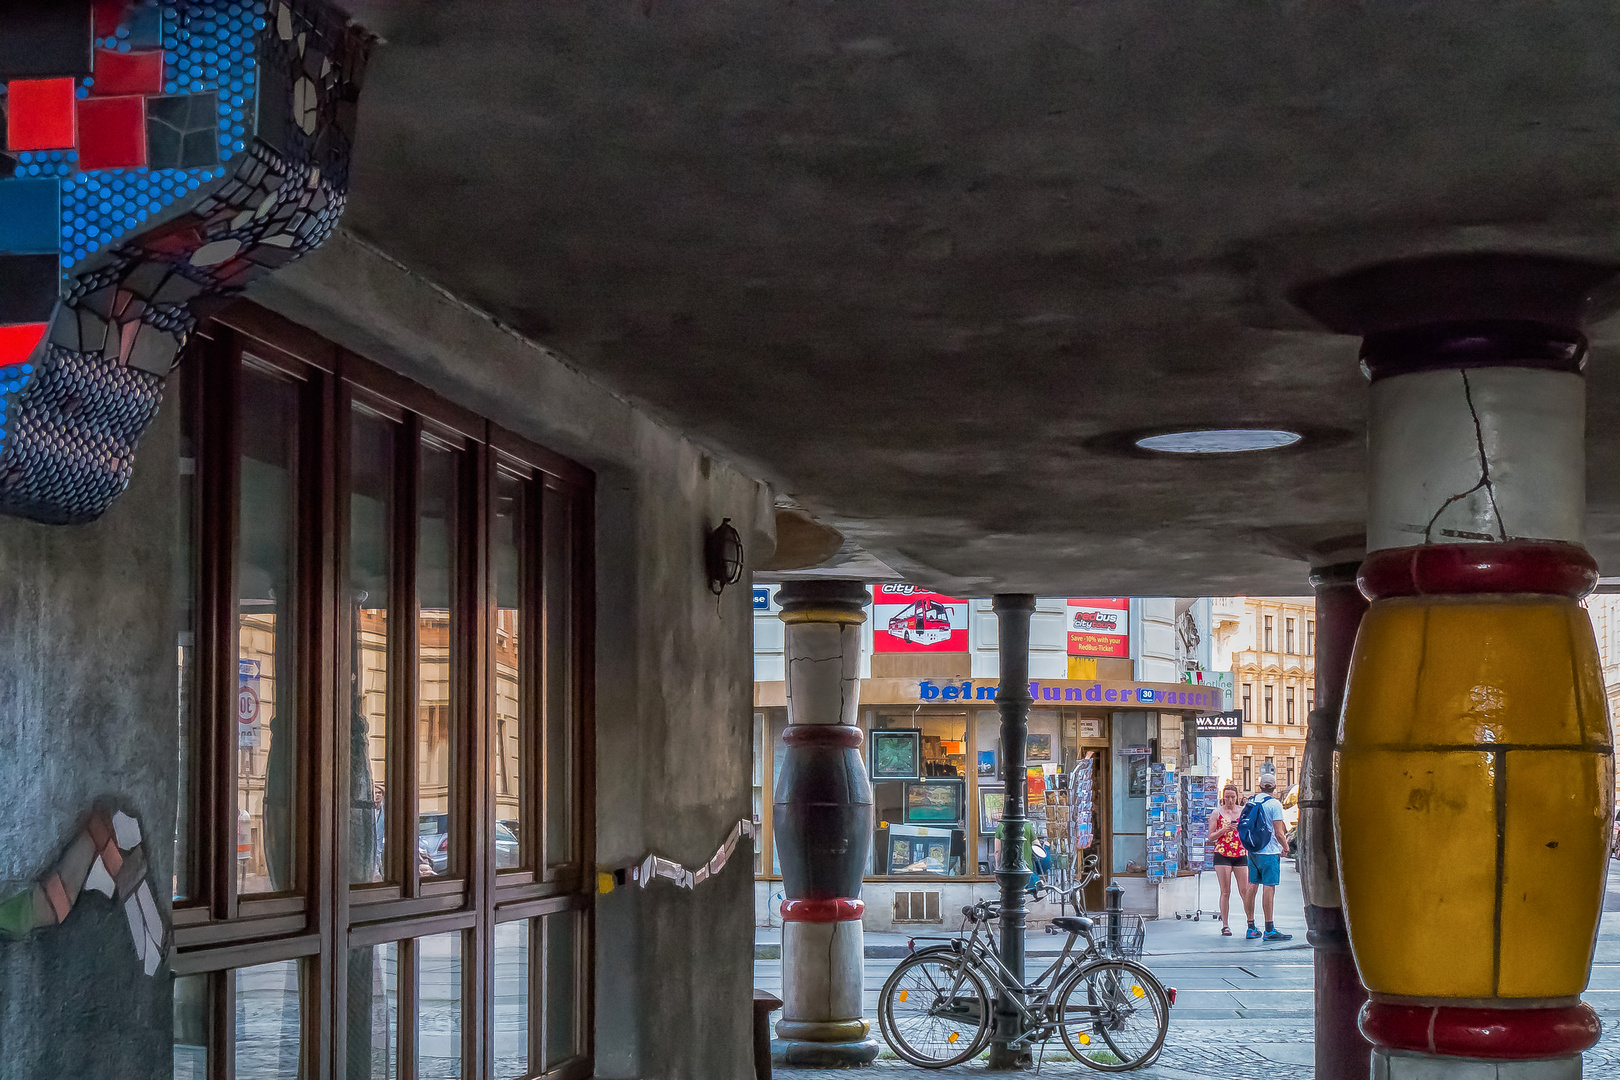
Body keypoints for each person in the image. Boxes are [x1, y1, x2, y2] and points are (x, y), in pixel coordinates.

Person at [1241, 774, 1291, 941]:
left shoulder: (1252, 801)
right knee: (1269, 887)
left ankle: (1251, 927)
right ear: (1275, 787)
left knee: (1252, 885)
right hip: (1269, 852)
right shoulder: (1274, 804)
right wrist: (1286, 847)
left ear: (1260, 786)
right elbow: (1278, 832)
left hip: (1253, 850)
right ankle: (1269, 928)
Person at [1207, 782, 1254, 937]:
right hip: (1222, 854)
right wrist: (1223, 830)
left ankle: (1250, 922)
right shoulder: (1216, 813)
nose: (1230, 800)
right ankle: (1225, 925)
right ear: (1223, 797)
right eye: (1227, 797)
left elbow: (1250, 830)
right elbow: (1210, 837)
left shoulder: (1243, 812)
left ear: (1237, 797)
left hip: (1240, 853)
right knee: (1225, 891)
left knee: (1245, 890)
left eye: (1233, 797)